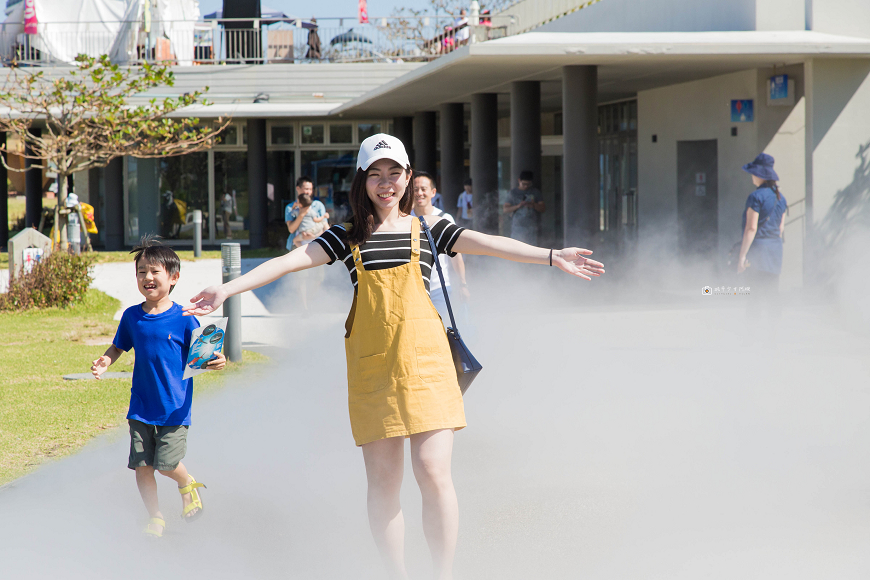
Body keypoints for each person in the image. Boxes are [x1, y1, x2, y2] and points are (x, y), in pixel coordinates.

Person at [184, 133, 604, 579]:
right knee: (384, 486)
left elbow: (489, 242)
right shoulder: (345, 236)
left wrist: (553, 256)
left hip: (428, 367)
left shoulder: (430, 229)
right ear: (363, 181)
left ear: (407, 177)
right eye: (376, 174)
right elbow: (288, 263)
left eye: (395, 173)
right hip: (373, 371)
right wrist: (226, 288)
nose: (386, 183)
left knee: (433, 472)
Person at [90, 237, 227, 538]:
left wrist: (218, 361)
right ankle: (156, 517)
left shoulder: (185, 318)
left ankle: (185, 482)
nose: (147, 278)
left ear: (174, 277)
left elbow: (206, 355)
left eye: (155, 272)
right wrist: (105, 361)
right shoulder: (131, 317)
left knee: (166, 464)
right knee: (142, 466)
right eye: (141, 272)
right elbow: (117, 347)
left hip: (174, 408)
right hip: (140, 407)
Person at [412, 170, 470, 322]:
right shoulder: (405, 219)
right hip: (412, 289)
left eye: (423, 189)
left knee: (439, 329)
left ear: (433, 192)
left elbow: (456, 254)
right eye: (415, 189)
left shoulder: (444, 218)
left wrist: (462, 283)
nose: (419, 193)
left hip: (440, 288)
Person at [737, 153, 787, 317]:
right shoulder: (781, 198)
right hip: (775, 251)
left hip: (758, 251)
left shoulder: (755, 197)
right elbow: (780, 229)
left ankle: (752, 337)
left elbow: (751, 228)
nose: (752, 176)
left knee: (754, 296)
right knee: (772, 294)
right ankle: (773, 336)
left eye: (753, 172)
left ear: (760, 175)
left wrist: (742, 256)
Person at [503, 170, 545, 245]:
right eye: (524, 184)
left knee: (531, 249)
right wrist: (518, 206)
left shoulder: (535, 192)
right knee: (516, 248)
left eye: (528, 184)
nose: (526, 186)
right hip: (517, 227)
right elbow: (505, 209)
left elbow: (543, 208)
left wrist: (533, 205)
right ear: (519, 180)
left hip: (531, 227)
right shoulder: (513, 193)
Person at [285, 176, 315, 251]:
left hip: (314, 243)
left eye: (310, 189)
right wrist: (301, 214)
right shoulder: (290, 207)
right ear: (298, 188)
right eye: (306, 189)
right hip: (297, 247)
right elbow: (291, 229)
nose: (308, 192)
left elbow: (324, 225)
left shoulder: (317, 205)